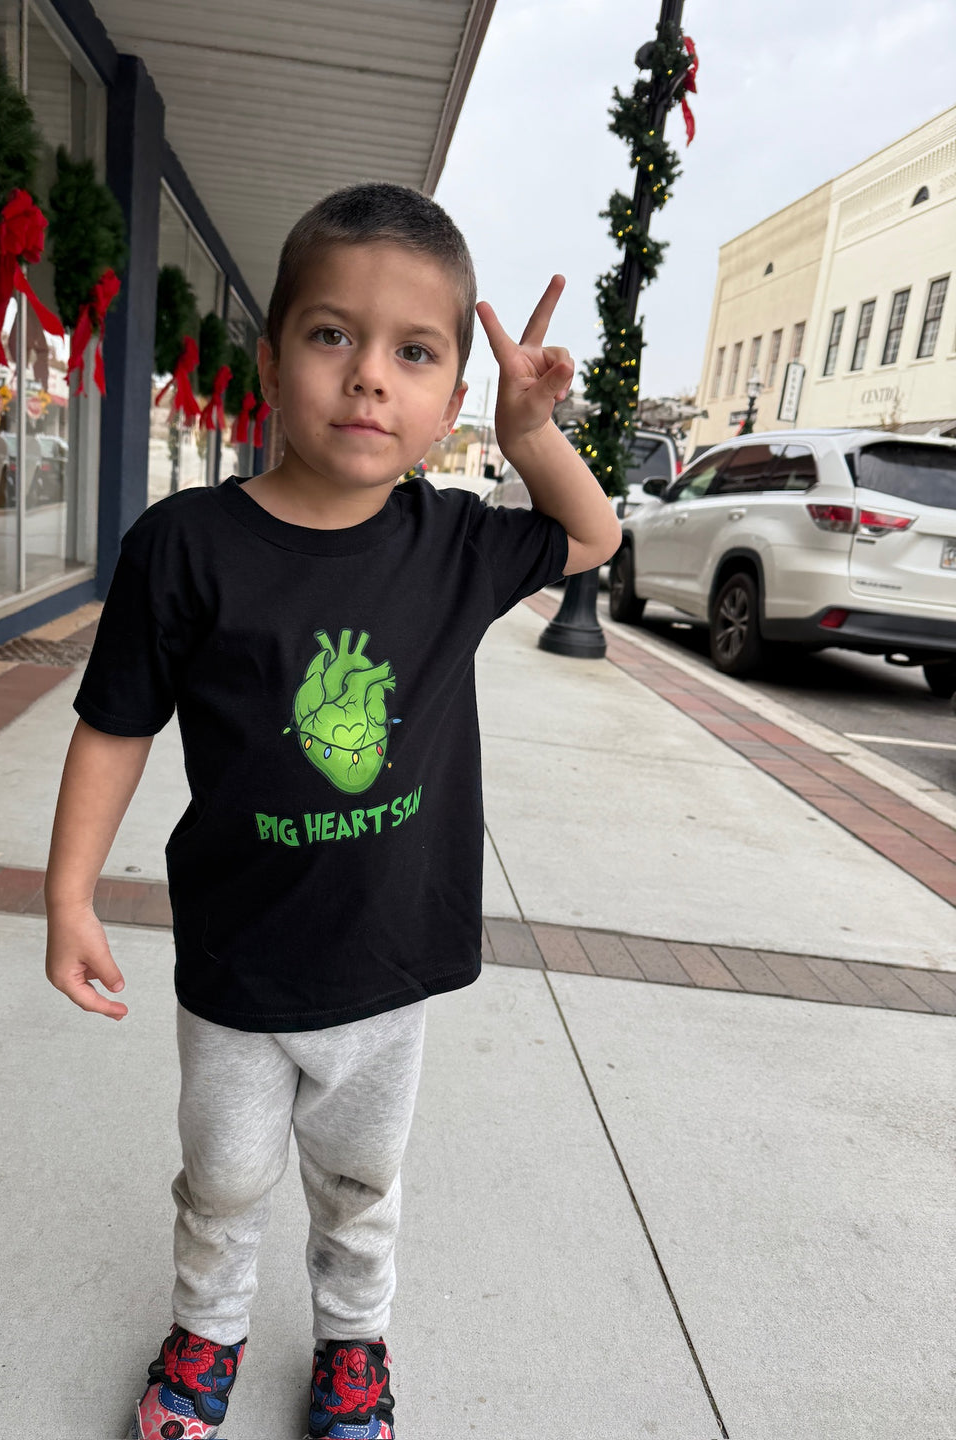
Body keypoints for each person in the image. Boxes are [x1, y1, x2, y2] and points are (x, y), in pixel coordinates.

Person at [44, 181, 621, 1440]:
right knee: (229, 1176)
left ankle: (354, 1346)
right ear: (269, 358)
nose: (370, 377)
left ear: (449, 399)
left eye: (414, 352)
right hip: (239, 963)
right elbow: (116, 726)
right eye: (331, 335)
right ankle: (208, 1332)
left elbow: (592, 535)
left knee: (362, 1185)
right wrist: (68, 893)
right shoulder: (184, 546)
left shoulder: (454, 544)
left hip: (385, 965)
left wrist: (532, 436)